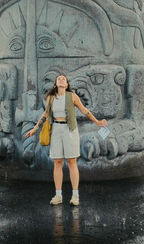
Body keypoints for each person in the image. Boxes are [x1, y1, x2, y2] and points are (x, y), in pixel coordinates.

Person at [25, 73, 108, 206]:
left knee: (71, 162)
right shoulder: (51, 98)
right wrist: (35, 128)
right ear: (56, 84)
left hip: (70, 130)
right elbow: (46, 113)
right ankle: (58, 195)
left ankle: (75, 195)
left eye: (64, 79)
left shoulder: (72, 96)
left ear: (67, 84)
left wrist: (97, 122)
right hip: (56, 130)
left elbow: (84, 110)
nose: (61, 80)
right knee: (57, 162)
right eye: (59, 79)